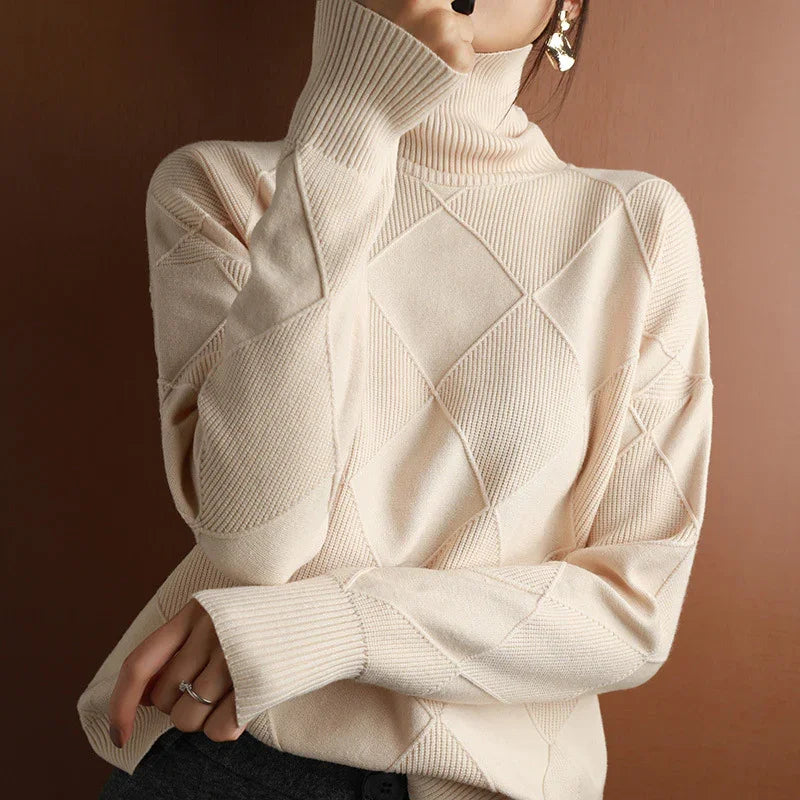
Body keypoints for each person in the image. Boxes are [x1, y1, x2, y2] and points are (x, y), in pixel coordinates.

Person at [78, 0, 714, 798]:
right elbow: (255, 539)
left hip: (493, 781)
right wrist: (347, 116)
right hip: (234, 755)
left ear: (569, 7)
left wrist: (338, 624)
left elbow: (633, 613)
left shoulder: (638, 229)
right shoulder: (217, 187)